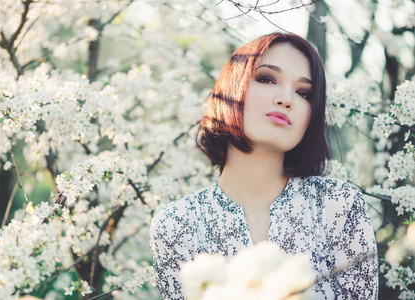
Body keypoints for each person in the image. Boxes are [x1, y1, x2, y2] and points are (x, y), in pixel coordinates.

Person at [149, 32, 378, 299]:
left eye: (303, 93)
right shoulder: (176, 224)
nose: (286, 98)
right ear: (232, 89)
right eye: (267, 79)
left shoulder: (339, 205)